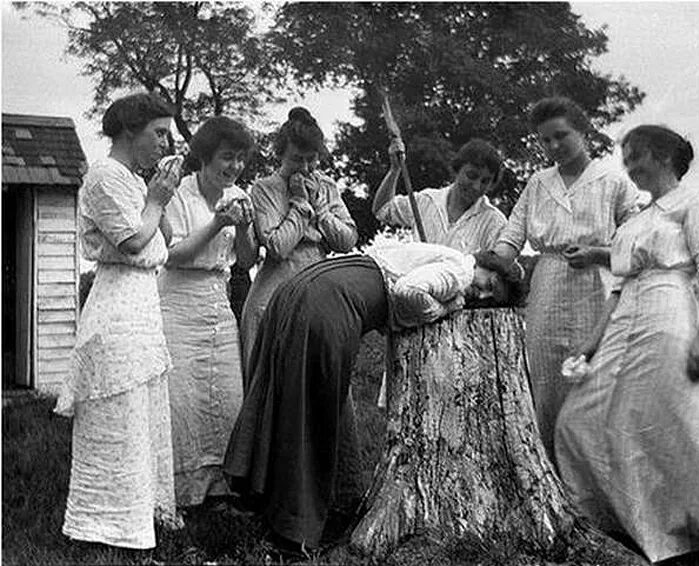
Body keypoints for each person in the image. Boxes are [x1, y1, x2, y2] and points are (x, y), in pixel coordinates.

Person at [224, 242, 528, 552]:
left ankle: (263, 500)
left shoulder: (445, 256)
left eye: (491, 299)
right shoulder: (458, 270)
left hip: (302, 288)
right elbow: (409, 292)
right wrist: (448, 307)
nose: (483, 294)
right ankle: (294, 529)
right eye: (489, 284)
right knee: (315, 410)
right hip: (329, 303)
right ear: (484, 265)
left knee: (287, 392)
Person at [555, 125, 699, 565]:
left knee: (675, 424)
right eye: (625, 159)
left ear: (664, 156)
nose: (629, 167)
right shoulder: (635, 220)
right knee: (578, 421)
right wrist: (591, 346)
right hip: (625, 315)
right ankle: (628, 524)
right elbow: (616, 289)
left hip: (667, 312)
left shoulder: (695, 204)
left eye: (635, 156)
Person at [54, 92, 182, 549]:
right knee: (117, 416)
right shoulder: (105, 176)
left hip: (141, 308)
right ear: (130, 130)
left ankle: (137, 516)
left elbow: (163, 240)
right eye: (159, 133)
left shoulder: (131, 178)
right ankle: (105, 525)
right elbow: (132, 241)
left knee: (140, 417)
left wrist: (159, 196)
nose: (165, 143)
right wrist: (155, 199)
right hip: (116, 311)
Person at [492, 96, 641, 459]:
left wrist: (598, 254)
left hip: (598, 287)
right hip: (548, 286)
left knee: (595, 381)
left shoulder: (614, 183)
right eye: (545, 140)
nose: (554, 146)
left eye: (561, 136)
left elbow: (638, 247)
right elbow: (512, 236)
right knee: (547, 383)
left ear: (583, 130)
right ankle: (554, 479)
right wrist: (486, 266)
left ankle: (597, 486)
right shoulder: (538, 183)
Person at [157, 116, 258, 508]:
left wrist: (245, 229)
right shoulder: (178, 196)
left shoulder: (239, 194)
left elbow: (245, 261)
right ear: (205, 156)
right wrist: (218, 222)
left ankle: (221, 489)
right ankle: (182, 494)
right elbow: (173, 256)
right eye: (226, 157)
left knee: (227, 397)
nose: (233, 167)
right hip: (179, 304)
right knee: (183, 400)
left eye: (240, 159)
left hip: (218, 304)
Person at [240, 107, 358, 372]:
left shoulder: (326, 187)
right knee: (271, 382)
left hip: (316, 292)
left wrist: (321, 207)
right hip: (273, 297)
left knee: (317, 380)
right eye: (296, 159)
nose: (304, 168)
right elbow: (278, 247)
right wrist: (301, 205)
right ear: (280, 154)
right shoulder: (264, 189)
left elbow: (347, 240)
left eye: (311, 159)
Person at [373, 138, 508, 253]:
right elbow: (382, 209)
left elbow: (500, 270)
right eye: (471, 175)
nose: (476, 186)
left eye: (485, 181)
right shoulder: (425, 200)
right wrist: (395, 169)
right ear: (457, 170)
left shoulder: (495, 222)